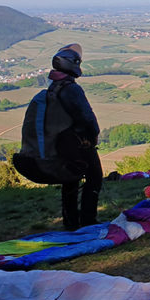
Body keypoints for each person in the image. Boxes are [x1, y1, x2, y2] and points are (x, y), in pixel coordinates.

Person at [49, 44, 102, 231]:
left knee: (70, 179)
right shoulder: (71, 89)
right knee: (95, 177)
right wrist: (93, 136)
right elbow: (87, 116)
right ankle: (88, 220)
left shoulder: (54, 86)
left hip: (61, 143)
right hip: (79, 142)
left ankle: (70, 222)